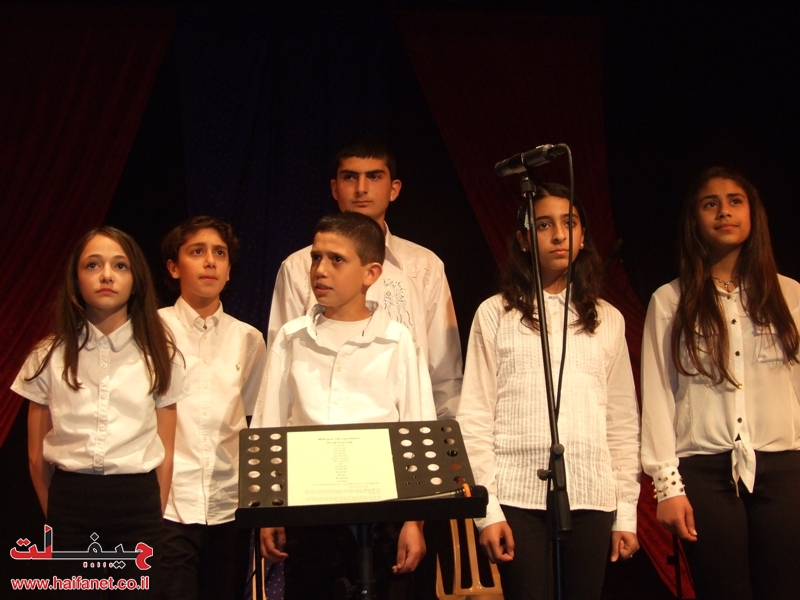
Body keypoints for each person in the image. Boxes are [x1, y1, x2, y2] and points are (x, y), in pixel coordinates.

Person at [457, 183, 640, 600]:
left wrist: (627, 512)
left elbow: (622, 420)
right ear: (524, 239)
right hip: (517, 495)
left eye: (569, 223)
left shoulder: (607, 319)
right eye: (543, 225)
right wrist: (488, 511)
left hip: (592, 493)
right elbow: (475, 415)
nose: (558, 235)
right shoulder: (496, 313)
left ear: (583, 236)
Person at [253, 211, 437, 598]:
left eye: (337, 259)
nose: (320, 270)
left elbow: (419, 428)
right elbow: (270, 425)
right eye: (316, 257)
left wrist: (414, 522)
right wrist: (268, 511)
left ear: (371, 273)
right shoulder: (291, 337)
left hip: (382, 513)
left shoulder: (397, 341)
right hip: (309, 512)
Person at [641, 167, 800, 600]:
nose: (724, 212)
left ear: (753, 214)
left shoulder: (789, 295)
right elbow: (657, 396)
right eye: (710, 204)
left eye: (735, 201)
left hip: (784, 469)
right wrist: (667, 486)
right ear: (694, 219)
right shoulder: (670, 300)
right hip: (706, 474)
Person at [12, 226, 184, 597]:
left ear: (136, 280)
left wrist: (152, 512)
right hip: (71, 503)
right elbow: (35, 455)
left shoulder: (161, 354)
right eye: (93, 265)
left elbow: (167, 450)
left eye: (120, 266)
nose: (107, 275)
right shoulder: (47, 355)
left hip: (137, 505)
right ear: (76, 280)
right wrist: (58, 514)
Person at [267, 134, 462, 420]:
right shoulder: (299, 266)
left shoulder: (424, 266)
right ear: (335, 188)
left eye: (373, 177)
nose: (361, 189)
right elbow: (280, 369)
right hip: (315, 433)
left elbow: (444, 372)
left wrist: (444, 438)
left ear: (393, 189)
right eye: (350, 177)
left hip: (400, 433)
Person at [157, 216, 268, 600]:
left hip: (228, 504)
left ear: (230, 270)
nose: (210, 262)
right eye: (197, 251)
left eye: (219, 253)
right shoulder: (152, 331)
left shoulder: (248, 338)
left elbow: (251, 416)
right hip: (169, 504)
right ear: (174, 267)